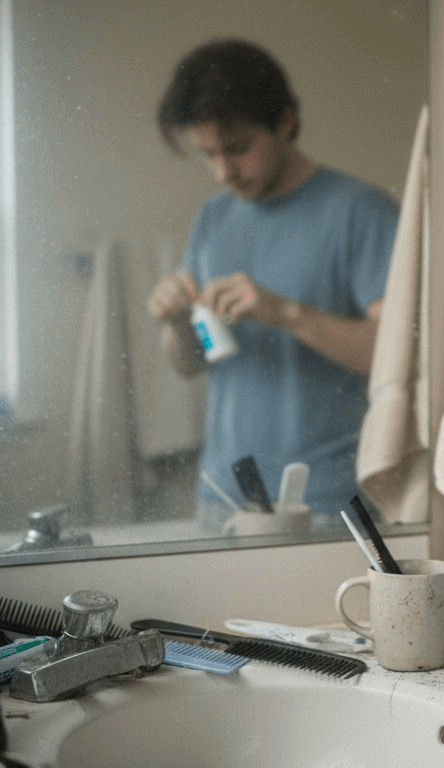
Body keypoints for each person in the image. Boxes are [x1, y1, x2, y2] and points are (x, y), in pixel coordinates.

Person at [147, 38, 398, 531]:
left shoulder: (362, 212)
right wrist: (179, 323)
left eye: (238, 149)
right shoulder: (212, 218)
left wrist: (286, 312)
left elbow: (393, 356)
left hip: (329, 502)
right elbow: (191, 363)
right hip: (222, 498)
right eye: (209, 155)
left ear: (284, 122)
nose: (224, 171)